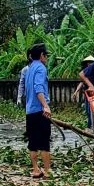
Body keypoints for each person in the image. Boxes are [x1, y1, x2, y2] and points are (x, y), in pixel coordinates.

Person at [25, 43, 52, 178]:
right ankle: (47, 171)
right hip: (40, 110)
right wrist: (45, 106)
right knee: (44, 142)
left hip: (30, 110)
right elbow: (38, 88)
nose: (46, 58)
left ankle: (36, 169)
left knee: (33, 142)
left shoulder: (29, 69)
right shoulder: (41, 68)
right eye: (46, 55)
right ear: (42, 55)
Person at [72, 55, 94, 129]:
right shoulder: (85, 72)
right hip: (87, 94)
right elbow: (81, 82)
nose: (90, 64)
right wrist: (76, 91)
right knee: (88, 111)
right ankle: (89, 126)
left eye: (91, 62)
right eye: (88, 62)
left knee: (93, 110)